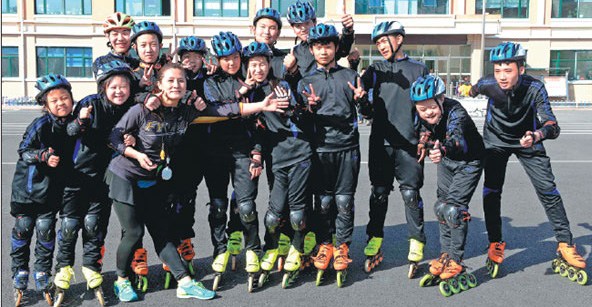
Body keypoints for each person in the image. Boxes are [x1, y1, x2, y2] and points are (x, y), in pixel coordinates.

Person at [107, 62, 285, 302]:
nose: (176, 85)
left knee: (163, 231)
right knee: (134, 231)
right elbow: (115, 136)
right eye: (170, 80)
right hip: (124, 176)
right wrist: (136, 154)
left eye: (180, 81)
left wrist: (261, 105)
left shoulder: (185, 111)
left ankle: (185, 282)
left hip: (152, 179)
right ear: (159, 84)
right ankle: (121, 279)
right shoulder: (142, 109)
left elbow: (225, 110)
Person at [470, 42, 587, 284]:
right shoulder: (488, 84)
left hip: (529, 140)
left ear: (520, 69)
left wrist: (536, 135)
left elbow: (552, 125)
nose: (502, 76)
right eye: (498, 70)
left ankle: (565, 243)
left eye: (508, 70)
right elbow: (473, 89)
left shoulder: (535, 88)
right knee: (492, 191)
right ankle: (495, 242)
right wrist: (467, 89)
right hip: (495, 141)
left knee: (548, 190)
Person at [51, 61, 137, 306]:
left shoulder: (131, 107)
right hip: (78, 175)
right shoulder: (91, 103)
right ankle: (63, 268)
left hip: (107, 177)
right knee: (69, 226)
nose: (119, 91)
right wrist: (81, 121)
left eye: (124, 86)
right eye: (113, 86)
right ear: (103, 87)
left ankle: (91, 267)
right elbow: (69, 132)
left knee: (94, 225)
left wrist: (134, 137)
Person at [298, 23, 370, 288]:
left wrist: (362, 100)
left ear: (336, 48)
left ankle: (342, 246)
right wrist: (308, 107)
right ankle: (325, 243)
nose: (324, 51)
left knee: (344, 201)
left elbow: (369, 113)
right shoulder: (306, 81)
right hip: (319, 149)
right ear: (312, 50)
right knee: (324, 202)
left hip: (347, 148)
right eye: (318, 47)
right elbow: (300, 122)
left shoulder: (350, 76)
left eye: (328, 46)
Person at [239, 42, 314, 289]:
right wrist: (257, 154)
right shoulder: (247, 93)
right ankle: (270, 249)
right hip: (276, 158)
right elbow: (253, 130)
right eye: (253, 65)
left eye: (262, 63)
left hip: (299, 153)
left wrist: (293, 108)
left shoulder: (280, 86)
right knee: (273, 216)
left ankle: (297, 248)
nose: (259, 68)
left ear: (270, 64)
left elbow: (299, 114)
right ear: (247, 68)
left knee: (296, 213)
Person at [360, 21, 429, 278]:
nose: (380, 46)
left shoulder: (419, 69)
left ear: (398, 39)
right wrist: (360, 100)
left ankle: (416, 242)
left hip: (410, 144)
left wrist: (425, 136)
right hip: (380, 142)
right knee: (378, 194)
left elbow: (429, 107)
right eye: (376, 43)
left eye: (383, 40)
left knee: (411, 194)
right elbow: (364, 106)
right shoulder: (374, 69)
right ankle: (374, 238)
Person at [411, 75, 484, 296]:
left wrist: (440, 149)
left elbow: (457, 140)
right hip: (448, 161)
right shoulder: (423, 114)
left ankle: (456, 260)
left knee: (454, 210)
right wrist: (424, 142)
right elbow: (425, 129)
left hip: (469, 160)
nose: (427, 113)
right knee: (441, 206)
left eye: (431, 107)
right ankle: (445, 253)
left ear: (442, 99)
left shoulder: (456, 112)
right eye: (422, 109)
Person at [10, 74, 76, 306]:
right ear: (45, 105)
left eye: (65, 98)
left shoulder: (73, 123)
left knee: (46, 229)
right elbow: (23, 151)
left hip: (51, 192)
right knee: (24, 227)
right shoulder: (40, 125)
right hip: (27, 190)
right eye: (55, 100)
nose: (61, 103)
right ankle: (19, 272)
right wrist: (43, 155)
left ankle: (42, 271)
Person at [284, 0, 355, 82]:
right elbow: (295, 85)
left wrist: (348, 30)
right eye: (298, 25)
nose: (303, 29)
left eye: (307, 23)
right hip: (307, 93)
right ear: (292, 28)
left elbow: (343, 50)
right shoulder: (295, 52)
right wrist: (292, 69)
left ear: (315, 22)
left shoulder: (324, 41)